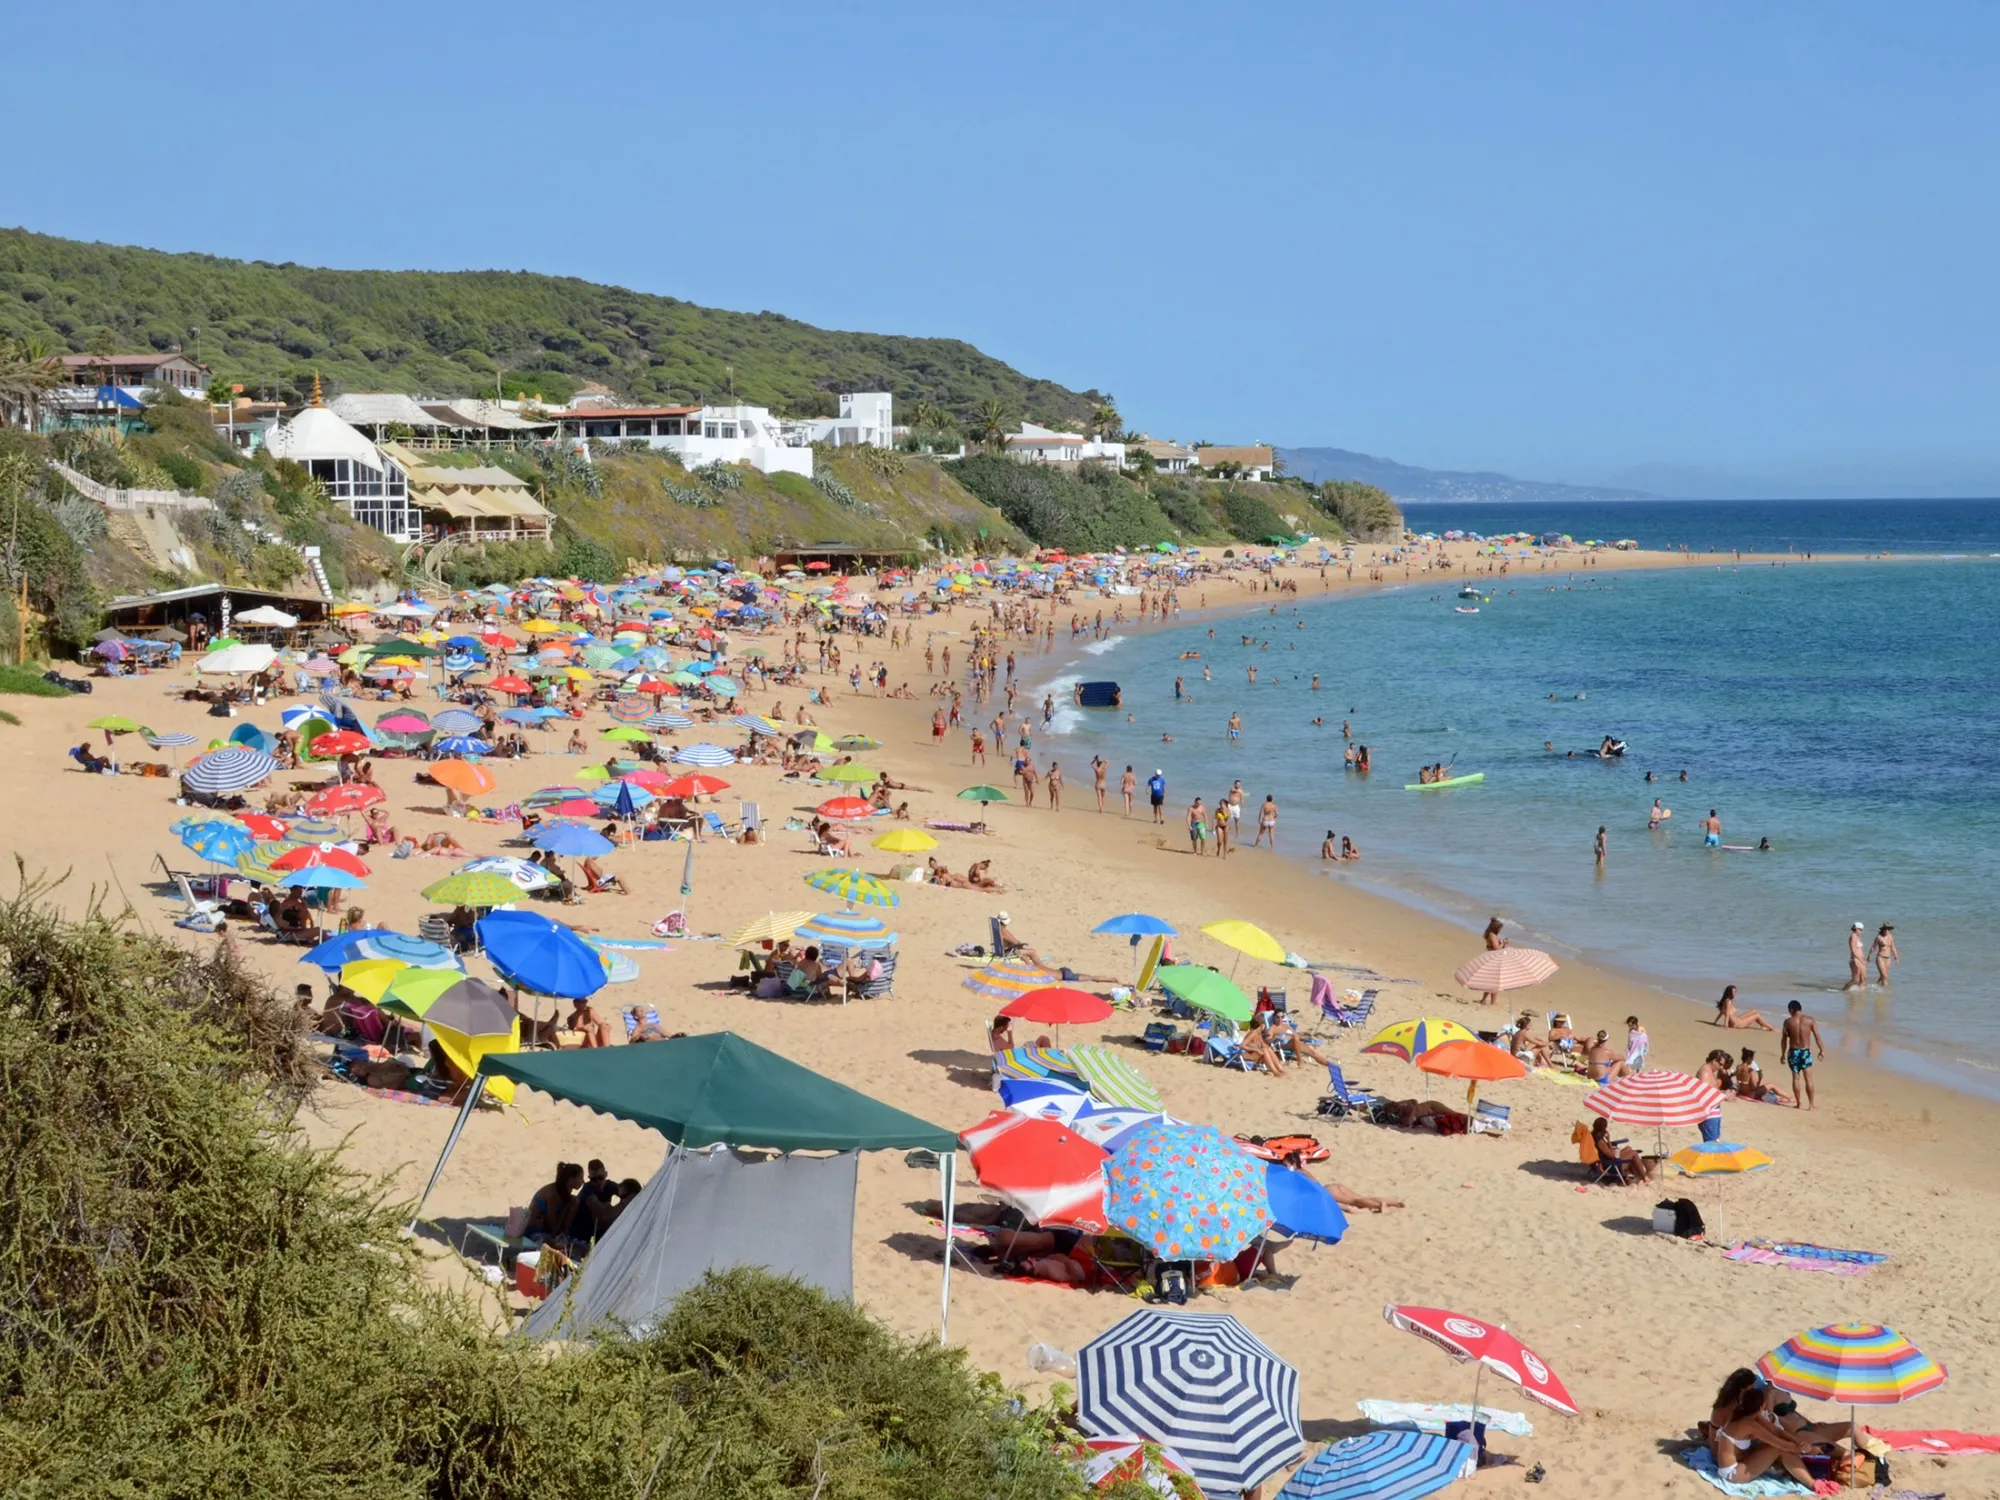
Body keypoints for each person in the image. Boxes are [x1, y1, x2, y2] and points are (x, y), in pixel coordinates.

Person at [523, 1162, 585, 1248]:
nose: (583, 1181)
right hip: (534, 1230)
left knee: (575, 1201)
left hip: (548, 1230)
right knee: (552, 1244)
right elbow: (551, 1226)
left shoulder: (565, 1194)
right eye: (580, 1177)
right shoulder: (553, 1195)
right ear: (571, 1178)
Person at [1781, 1000, 1823, 1110]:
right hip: (1805, 1052)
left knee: (1796, 1078)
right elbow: (1817, 1036)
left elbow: (1784, 1040)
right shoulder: (1810, 1020)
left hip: (1793, 1051)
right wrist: (1821, 1050)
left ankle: (1799, 1103)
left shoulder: (1788, 1022)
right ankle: (1811, 1105)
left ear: (1791, 1009)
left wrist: (1783, 1054)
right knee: (1809, 1079)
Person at [1590, 1117, 1656, 1182]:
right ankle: (1645, 1178)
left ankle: (1635, 1174)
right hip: (1611, 1166)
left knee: (1628, 1148)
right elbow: (1612, 1156)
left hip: (1607, 1161)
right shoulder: (1600, 1141)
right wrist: (1609, 1140)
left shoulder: (1594, 1135)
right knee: (1634, 1153)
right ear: (1603, 1128)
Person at [1695, 1051, 1731, 1140]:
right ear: (1714, 1061)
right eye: (1720, 1064)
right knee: (1711, 1144)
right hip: (1708, 1114)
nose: (1721, 1067)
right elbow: (1705, 1093)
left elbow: (1713, 1090)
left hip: (1713, 1113)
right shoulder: (1705, 1072)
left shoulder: (1710, 1072)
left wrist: (1724, 1093)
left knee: (1715, 1142)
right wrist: (1723, 1095)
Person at [1845, 921, 1867, 989]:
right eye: (1860, 929)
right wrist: (1861, 960)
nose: (1862, 931)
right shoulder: (1853, 936)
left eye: (1862, 930)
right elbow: (1853, 950)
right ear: (1856, 929)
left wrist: (1863, 960)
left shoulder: (1857, 937)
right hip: (1855, 960)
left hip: (1860, 960)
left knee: (1863, 980)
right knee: (1855, 980)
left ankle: (1861, 994)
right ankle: (1843, 990)